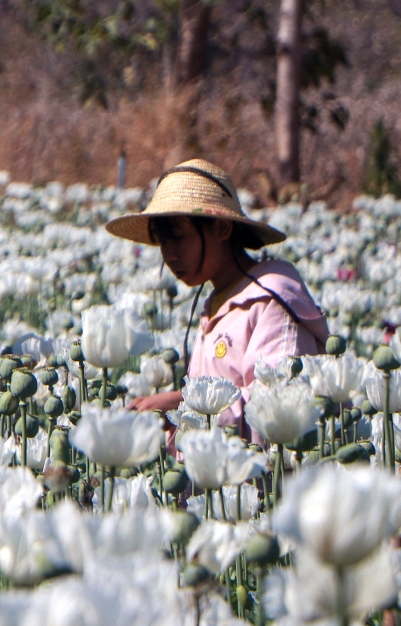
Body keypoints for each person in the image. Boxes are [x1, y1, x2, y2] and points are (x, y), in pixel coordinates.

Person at [108, 158, 328, 435]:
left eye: (178, 236)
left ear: (223, 229)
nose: (170, 254)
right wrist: (175, 405)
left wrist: (182, 409)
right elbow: (226, 393)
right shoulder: (217, 303)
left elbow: (279, 407)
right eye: (163, 241)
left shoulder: (272, 302)